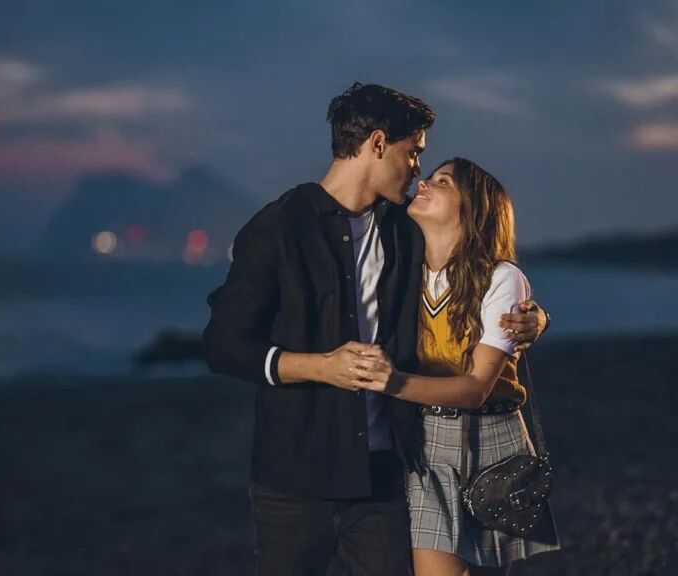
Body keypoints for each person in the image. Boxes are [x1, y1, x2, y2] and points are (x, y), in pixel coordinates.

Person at [202, 83, 549, 576]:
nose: (417, 170)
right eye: (414, 154)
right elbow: (222, 345)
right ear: (379, 144)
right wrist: (321, 367)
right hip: (294, 480)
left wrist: (533, 318)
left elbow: (474, 270)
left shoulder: (405, 228)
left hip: (387, 475)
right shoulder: (277, 227)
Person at [353, 157, 561, 575]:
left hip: (493, 441)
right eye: (428, 177)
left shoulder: (501, 278)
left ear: (473, 208)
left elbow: (476, 387)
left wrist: (390, 382)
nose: (424, 184)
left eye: (442, 181)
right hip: (427, 441)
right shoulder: (406, 271)